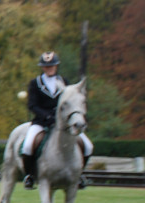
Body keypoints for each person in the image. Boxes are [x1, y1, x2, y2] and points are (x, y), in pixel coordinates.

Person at [20, 51, 94, 190]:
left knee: (88, 146)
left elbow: (71, 102)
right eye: (47, 66)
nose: (50, 69)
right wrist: (47, 116)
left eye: (52, 66)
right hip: (42, 122)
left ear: (56, 66)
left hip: (64, 124)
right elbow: (32, 105)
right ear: (43, 67)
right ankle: (29, 176)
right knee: (28, 145)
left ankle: (79, 175)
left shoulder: (65, 82)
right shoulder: (35, 83)